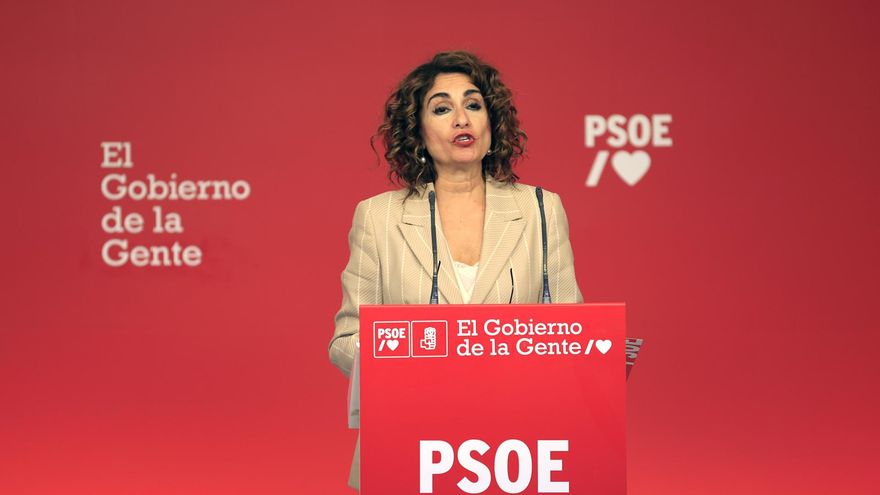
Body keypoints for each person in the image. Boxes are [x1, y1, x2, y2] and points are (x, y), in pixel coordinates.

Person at [328, 50, 583, 489]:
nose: (461, 118)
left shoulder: (541, 209)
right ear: (419, 132)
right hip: (410, 440)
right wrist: (412, 362)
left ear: (491, 121)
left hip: (516, 448)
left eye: (473, 104)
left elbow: (572, 333)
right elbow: (346, 342)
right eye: (442, 108)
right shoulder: (378, 217)